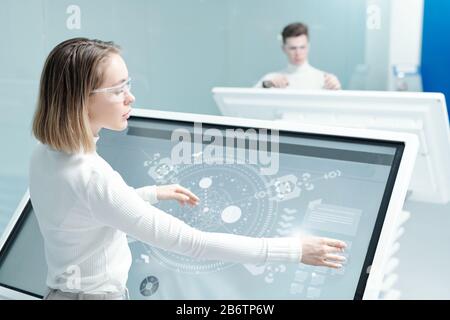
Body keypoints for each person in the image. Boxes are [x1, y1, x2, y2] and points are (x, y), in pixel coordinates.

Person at [30, 38, 347, 300]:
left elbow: (89, 214)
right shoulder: (94, 176)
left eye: (128, 84)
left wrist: (152, 193)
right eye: (116, 90)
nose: (130, 97)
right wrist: (294, 250)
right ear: (79, 101)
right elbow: (191, 243)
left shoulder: (46, 156)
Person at [255, 22, 341, 90]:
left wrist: (336, 89)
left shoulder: (324, 80)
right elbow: (250, 102)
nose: (298, 53)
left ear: (308, 47)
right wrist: (267, 85)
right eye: (293, 48)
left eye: (302, 47)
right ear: (283, 49)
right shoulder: (271, 80)